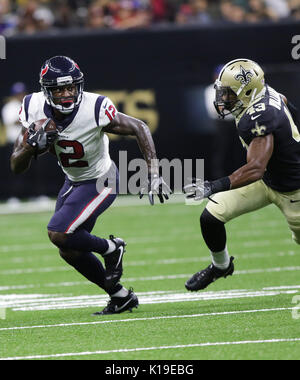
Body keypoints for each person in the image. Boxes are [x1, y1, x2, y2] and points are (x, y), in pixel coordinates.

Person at [10, 55, 170, 315]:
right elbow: (16, 166)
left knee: (58, 232)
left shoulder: (94, 107)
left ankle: (112, 248)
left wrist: (153, 172)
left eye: (71, 87)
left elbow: (140, 127)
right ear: (46, 91)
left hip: (100, 179)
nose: (66, 94)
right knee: (69, 250)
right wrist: (30, 146)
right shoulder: (32, 107)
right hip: (73, 180)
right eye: (59, 89)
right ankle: (121, 297)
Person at [184, 58, 300, 291]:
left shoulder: (259, 117)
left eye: (228, 93)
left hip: (293, 189)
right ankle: (221, 266)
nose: (223, 98)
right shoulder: (265, 93)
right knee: (211, 216)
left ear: (247, 92)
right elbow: (287, 104)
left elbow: (255, 168)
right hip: (268, 180)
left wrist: (212, 186)